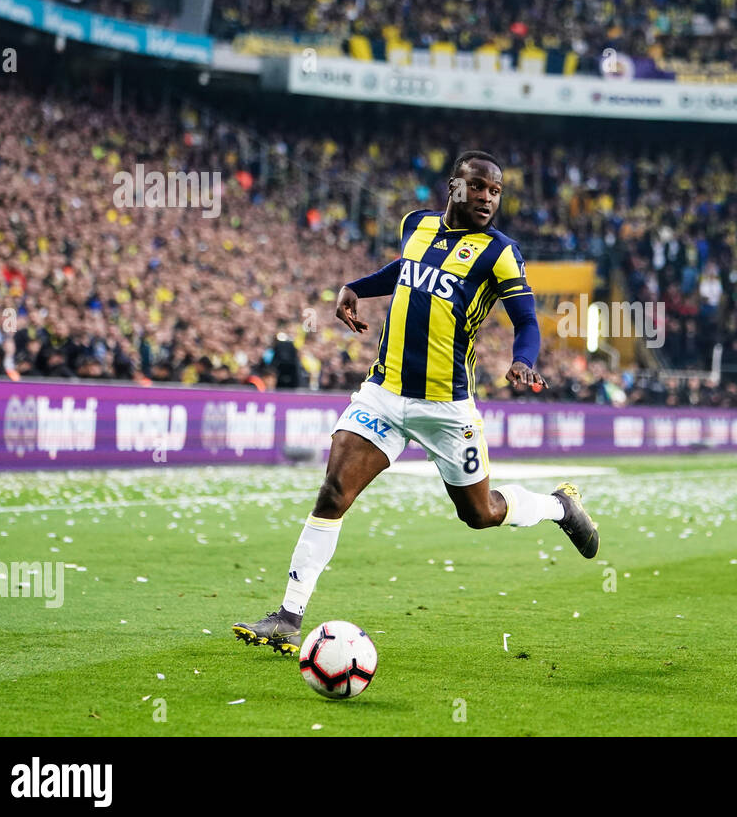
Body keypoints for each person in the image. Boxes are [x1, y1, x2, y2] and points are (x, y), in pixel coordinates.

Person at [234, 151, 599, 654]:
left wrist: (522, 358)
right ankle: (289, 616)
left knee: (480, 513)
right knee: (334, 492)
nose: (487, 198)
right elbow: (403, 271)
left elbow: (527, 319)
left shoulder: (500, 252)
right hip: (383, 394)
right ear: (453, 186)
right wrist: (355, 288)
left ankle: (560, 507)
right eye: (477, 187)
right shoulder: (417, 225)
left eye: (494, 192)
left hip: (447, 407)